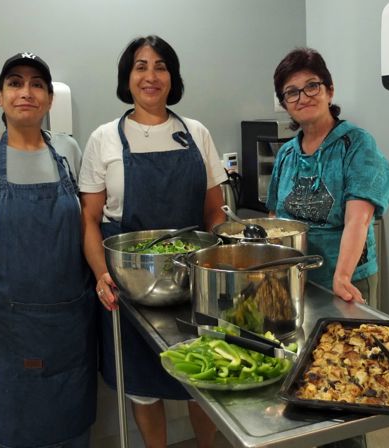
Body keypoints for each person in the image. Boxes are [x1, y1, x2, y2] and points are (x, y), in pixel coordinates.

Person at [79, 35, 226, 448]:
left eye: (161, 66)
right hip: (130, 283)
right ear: (127, 78)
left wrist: (221, 255)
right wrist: (101, 274)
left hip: (193, 283)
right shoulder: (104, 138)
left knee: (203, 379)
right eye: (140, 66)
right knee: (142, 384)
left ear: (172, 77)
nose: (151, 76)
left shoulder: (195, 133)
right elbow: (89, 219)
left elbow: (215, 212)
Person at [0, 52, 96, 448]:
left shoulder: (69, 150)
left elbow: (87, 225)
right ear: (0, 97)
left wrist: (101, 277)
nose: (26, 92)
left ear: (49, 99)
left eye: (36, 84)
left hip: (69, 319)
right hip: (8, 325)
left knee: (73, 424)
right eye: (14, 83)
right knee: (17, 427)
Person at [267, 47, 389, 306]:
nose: (303, 97)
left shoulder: (356, 144)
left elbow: (358, 219)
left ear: (330, 90)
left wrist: (342, 276)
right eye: (292, 92)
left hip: (347, 279)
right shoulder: (286, 154)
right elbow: (274, 219)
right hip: (294, 278)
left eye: (312, 86)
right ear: (285, 104)